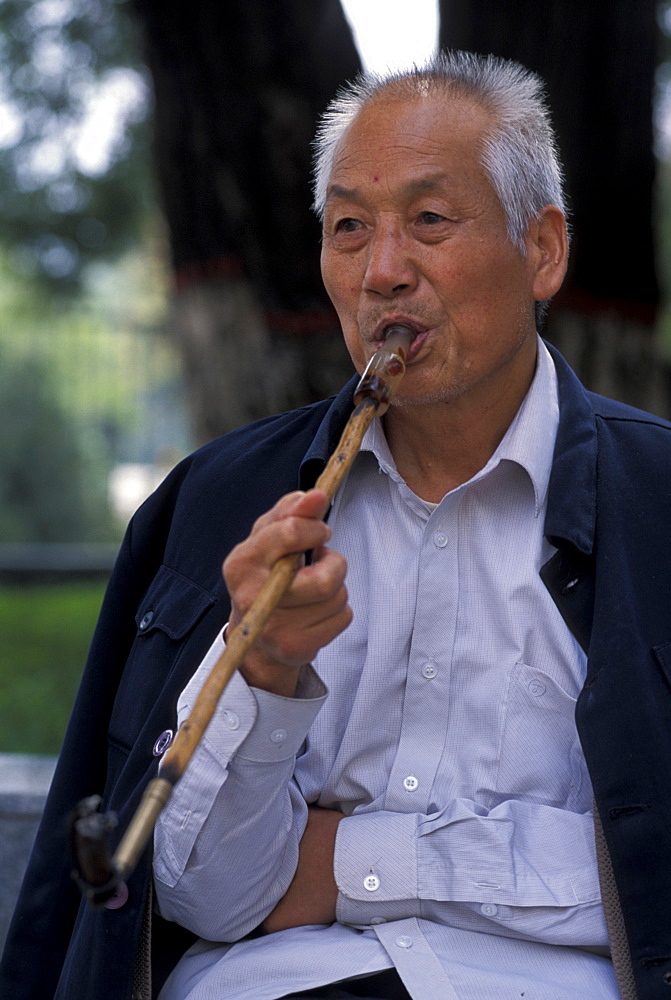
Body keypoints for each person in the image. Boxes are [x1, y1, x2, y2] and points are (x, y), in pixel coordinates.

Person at [2, 50, 671, 1000]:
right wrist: (264, 669)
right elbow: (202, 896)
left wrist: (336, 863)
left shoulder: (655, 502)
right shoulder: (220, 505)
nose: (382, 273)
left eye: (430, 221)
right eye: (349, 228)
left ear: (543, 251)